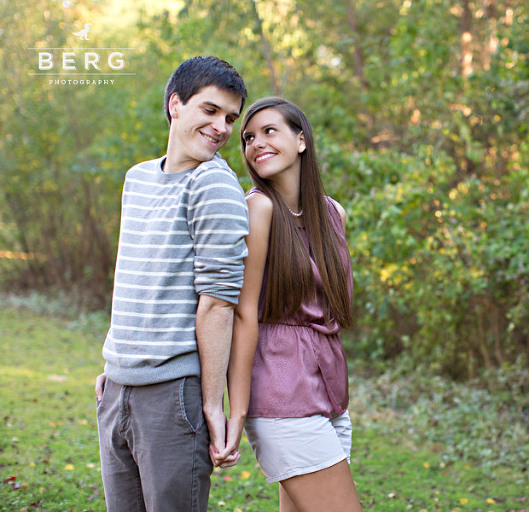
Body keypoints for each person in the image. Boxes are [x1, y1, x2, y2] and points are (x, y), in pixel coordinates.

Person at [94, 56, 251, 511]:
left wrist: (211, 405)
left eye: (229, 118)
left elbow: (218, 303)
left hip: (172, 394)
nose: (221, 127)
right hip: (118, 386)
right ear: (175, 105)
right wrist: (117, 361)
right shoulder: (137, 178)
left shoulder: (214, 185)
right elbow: (134, 276)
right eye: (210, 110)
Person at [232, 97, 362, 512]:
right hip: (281, 392)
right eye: (248, 138)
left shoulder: (333, 214)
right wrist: (236, 412)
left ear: (301, 140)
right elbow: (243, 313)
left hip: (329, 391)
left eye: (270, 131)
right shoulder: (259, 208)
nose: (256, 144)